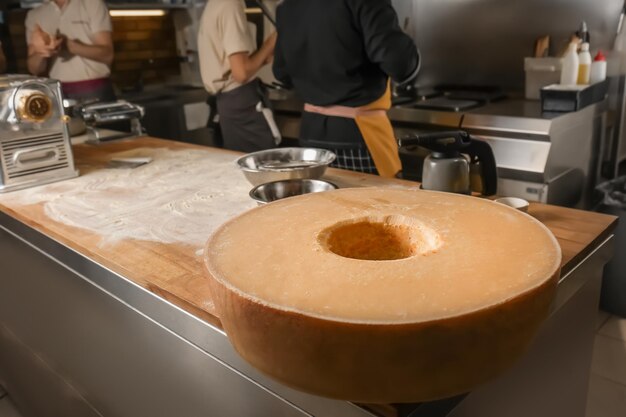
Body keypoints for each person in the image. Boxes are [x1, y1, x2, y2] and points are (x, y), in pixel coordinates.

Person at [273, 0, 419, 178]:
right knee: (378, 204)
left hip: (310, 135)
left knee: (322, 205)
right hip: (359, 135)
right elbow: (399, 63)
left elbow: (282, 73)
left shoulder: (287, 6)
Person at [198, 0, 279, 153]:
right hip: (241, 103)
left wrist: (261, 59)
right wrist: (270, 43)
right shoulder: (231, 5)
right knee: (264, 168)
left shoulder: (217, 3)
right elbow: (241, 73)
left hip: (229, 102)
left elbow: (235, 65)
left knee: (245, 168)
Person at [25, 0, 115, 102]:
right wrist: (43, 52)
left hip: (95, 90)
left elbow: (107, 55)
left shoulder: (93, 4)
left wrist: (69, 45)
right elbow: (33, 69)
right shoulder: (35, 14)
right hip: (58, 92)